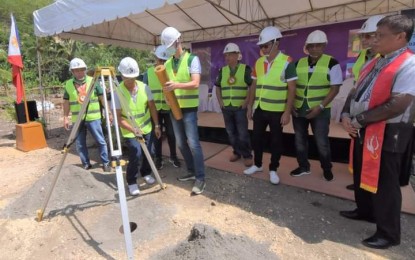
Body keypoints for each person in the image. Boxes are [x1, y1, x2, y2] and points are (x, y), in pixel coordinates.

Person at [339, 14, 415, 249]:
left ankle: (388, 233)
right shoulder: (375, 61)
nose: (374, 40)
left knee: (385, 183)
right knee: (361, 172)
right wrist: (345, 115)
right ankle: (365, 211)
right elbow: (355, 91)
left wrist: (358, 120)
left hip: (389, 131)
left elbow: (398, 104)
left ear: (401, 37)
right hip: (364, 128)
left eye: (380, 36)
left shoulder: (409, 64)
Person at [244, 26, 297, 185]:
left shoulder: (287, 62)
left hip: (276, 111)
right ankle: (258, 165)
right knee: (257, 139)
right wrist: (249, 106)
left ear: (276, 43)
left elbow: (292, 88)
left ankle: (273, 169)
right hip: (259, 109)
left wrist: (287, 112)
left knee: (276, 142)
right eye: (261, 46)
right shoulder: (258, 62)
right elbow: (253, 86)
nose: (263, 49)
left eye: (266, 46)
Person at [290, 30, 343, 181]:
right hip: (299, 108)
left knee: (321, 141)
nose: (314, 49)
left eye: (318, 46)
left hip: (321, 110)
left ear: (324, 45)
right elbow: (292, 86)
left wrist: (320, 107)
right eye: (311, 46)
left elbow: (335, 88)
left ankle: (326, 168)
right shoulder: (297, 63)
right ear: (306, 46)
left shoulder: (332, 63)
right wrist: (292, 104)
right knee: (300, 140)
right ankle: (303, 167)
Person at [160, 26, 206, 195]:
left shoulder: (192, 59)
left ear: (179, 40)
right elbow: (167, 86)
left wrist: (176, 85)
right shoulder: (167, 63)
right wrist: (167, 94)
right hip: (174, 108)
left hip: (189, 110)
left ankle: (200, 178)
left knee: (194, 143)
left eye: (172, 43)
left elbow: (195, 83)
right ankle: (191, 170)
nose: (171, 47)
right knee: (181, 143)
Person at [345, 14, 385, 190]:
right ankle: (360, 183)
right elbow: (356, 85)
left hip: (376, 114)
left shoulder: (388, 58)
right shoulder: (362, 55)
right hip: (358, 110)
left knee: (375, 155)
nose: (364, 39)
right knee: (359, 150)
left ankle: (369, 188)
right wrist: (346, 112)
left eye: (368, 35)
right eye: (363, 36)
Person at [114, 57, 161, 196]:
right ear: (121, 75)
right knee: (136, 152)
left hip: (146, 127)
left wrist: (157, 125)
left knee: (151, 152)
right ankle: (132, 181)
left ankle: (146, 172)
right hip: (129, 130)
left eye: (132, 77)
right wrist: (132, 129)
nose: (130, 80)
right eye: (127, 78)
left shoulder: (144, 87)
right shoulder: (118, 92)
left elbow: (152, 107)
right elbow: (118, 118)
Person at [63, 58, 111, 172]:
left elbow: (101, 98)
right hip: (77, 119)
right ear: (72, 72)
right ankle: (86, 163)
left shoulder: (93, 81)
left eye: (81, 70)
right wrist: (65, 117)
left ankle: (105, 163)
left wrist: (108, 112)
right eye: (76, 70)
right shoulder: (68, 84)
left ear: (85, 70)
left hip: (93, 118)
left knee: (100, 141)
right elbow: (66, 101)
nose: (80, 72)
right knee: (80, 144)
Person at [215, 42, 253, 167]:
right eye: (226, 55)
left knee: (242, 133)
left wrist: (246, 102)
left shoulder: (246, 69)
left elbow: (252, 87)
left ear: (237, 55)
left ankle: (247, 155)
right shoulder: (222, 70)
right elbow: (218, 87)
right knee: (231, 133)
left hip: (239, 108)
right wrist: (220, 102)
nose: (227, 57)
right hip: (227, 108)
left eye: (230, 54)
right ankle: (236, 152)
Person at [143, 45, 181, 170]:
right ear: (156, 59)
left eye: (165, 60)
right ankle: (158, 158)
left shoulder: (170, 71)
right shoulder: (148, 73)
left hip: (168, 108)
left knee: (171, 134)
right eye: (161, 60)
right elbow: (144, 92)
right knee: (157, 134)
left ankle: (173, 156)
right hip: (155, 109)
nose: (162, 63)